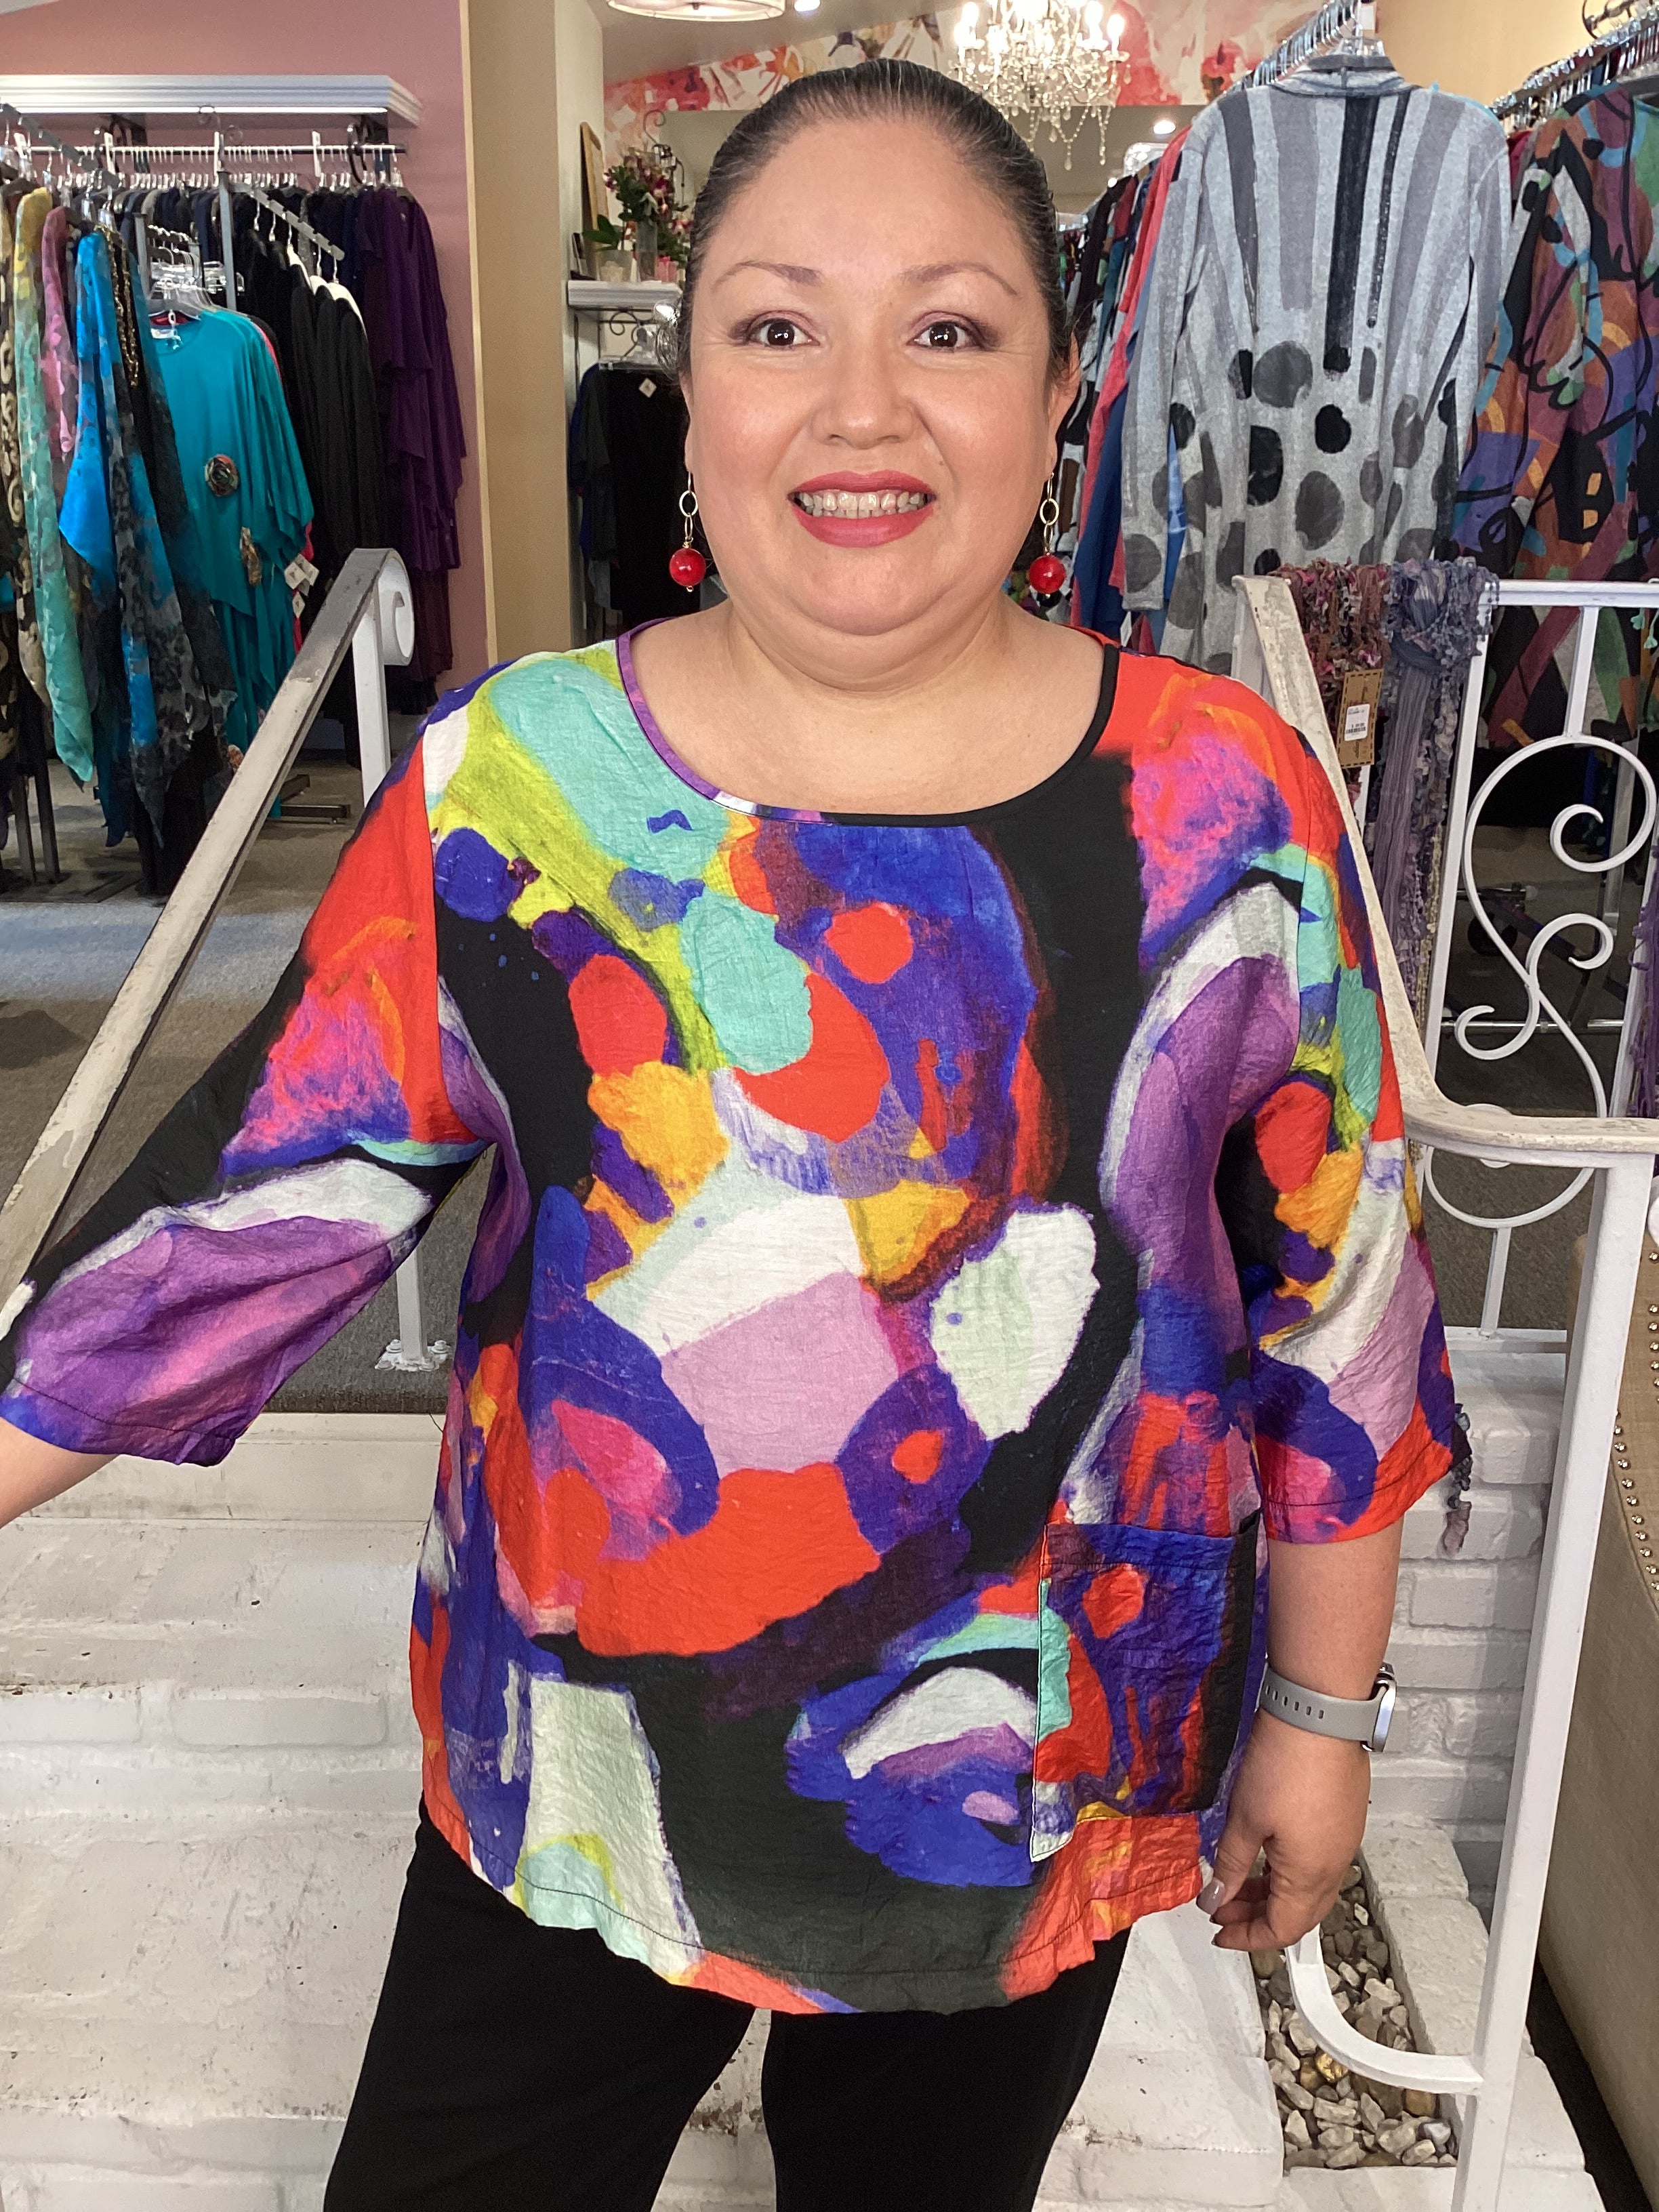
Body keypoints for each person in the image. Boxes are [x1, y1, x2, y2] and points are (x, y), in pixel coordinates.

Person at [0, 60, 1463, 2212]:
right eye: (780, 326)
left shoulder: (1221, 801)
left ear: (1057, 394)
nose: (863, 410)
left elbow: (1341, 1319)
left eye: (948, 328)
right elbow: (249, 1211)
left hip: (1022, 1780)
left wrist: (1322, 1725)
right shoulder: (519, 787)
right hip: (584, 1766)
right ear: (686, 398)